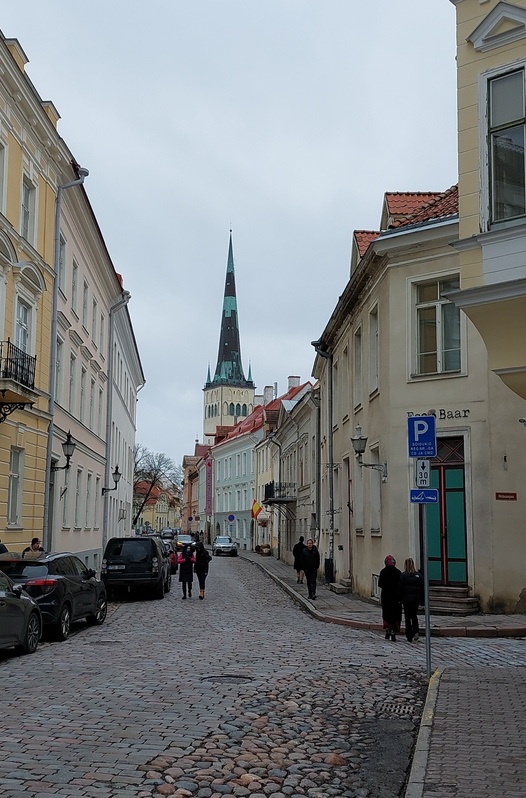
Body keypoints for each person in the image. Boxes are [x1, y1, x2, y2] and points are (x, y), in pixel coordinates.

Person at [399, 558, 425, 643]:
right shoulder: (418, 575)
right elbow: (422, 589)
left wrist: (399, 599)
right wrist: (422, 601)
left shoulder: (403, 575)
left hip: (406, 600)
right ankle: (416, 631)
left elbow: (400, 588)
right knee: (414, 615)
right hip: (415, 599)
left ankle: (409, 635)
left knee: (407, 617)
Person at [378, 555, 401, 642]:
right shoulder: (398, 572)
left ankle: (388, 630)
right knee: (395, 614)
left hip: (386, 596)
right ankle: (393, 631)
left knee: (387, 614)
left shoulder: (383, 572)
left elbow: (380, 584)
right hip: (395, 597)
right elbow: (400, 585)